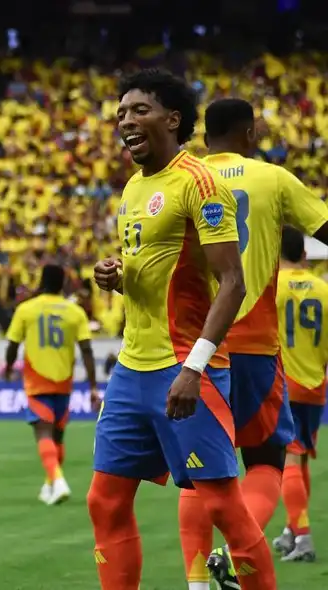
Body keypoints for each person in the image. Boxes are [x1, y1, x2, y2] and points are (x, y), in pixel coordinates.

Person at [89, 69, 276, 590]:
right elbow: (162, 273)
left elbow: (232, 282)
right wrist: (118, 276)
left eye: (140, 110)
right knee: (104, 500)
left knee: (222, 504)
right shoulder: (133, 186)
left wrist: (193, 367)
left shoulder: (199, 181)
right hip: (132, 370)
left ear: (173, 119)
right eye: (122, 111)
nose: (126, 120)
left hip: (185, 367)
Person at [178, 98, 328, 590]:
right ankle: (233, 552)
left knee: (202, 467)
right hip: (255, 345)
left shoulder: (184, 176)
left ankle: (197, 581)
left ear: (204, 135)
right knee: (265, 461)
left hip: (193, 345)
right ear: (247, 133)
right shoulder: (272, 178)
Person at [4, 263, 100, 506]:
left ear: (42, 282)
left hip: (38, 380)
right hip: (64, 381)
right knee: (58, 435)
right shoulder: (75, 312)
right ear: (63, 284)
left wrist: (8, 367)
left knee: (43, 433)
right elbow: (87, 350)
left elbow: (13, 345)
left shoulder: (26, 309)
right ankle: (50, 485)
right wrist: (92, 387)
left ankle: (57, 480)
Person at [271, 226, 328, 563]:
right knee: (301, 454)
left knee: (289, 459)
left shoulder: (271, 288)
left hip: (283, 383)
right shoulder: (324, 289)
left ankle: (303, 537)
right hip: (315, 383)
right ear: (304, 255)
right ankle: (294, 529)